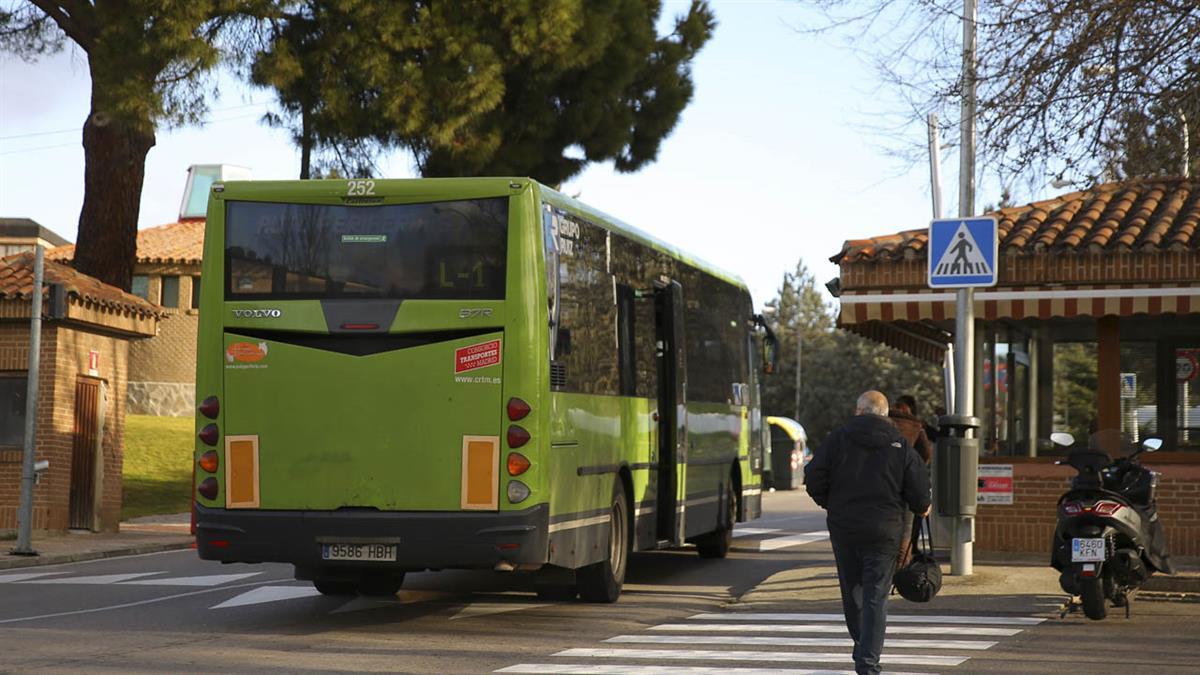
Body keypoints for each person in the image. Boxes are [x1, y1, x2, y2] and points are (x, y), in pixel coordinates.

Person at [805, 390, 932, 675]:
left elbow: (813, 477)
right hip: (885, 530)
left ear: (859, 410)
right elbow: (920, 494)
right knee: (876, 595)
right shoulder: (900, 444)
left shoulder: (837, 438)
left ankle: (863, 646)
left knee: (852, 592)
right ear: (886, 414)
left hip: (845, 527)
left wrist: (831, 503)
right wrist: (922, 506)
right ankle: (868, 660)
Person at [889, 394, 935, 567]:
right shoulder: (915, 426)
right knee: (906, 531)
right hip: (906, 484)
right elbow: (926, 453)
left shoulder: (882, 424)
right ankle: (901, 568)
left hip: (882, 484)